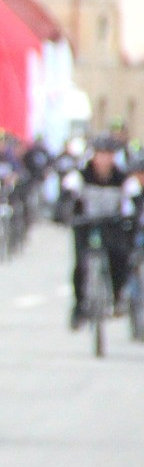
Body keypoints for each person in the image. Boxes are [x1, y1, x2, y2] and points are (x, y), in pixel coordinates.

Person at [62, 136, 131, 327]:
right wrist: (65, 212)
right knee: (81, 264)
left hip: (111, 224)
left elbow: (131, 200)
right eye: (101, 154)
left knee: (119, 258)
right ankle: (79, 306)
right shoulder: (81, 175)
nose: (104, 159)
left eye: (109, 154)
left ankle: (117, 296)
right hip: (85, 224)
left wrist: (129, 216)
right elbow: (67, 196)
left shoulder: (122, 178)